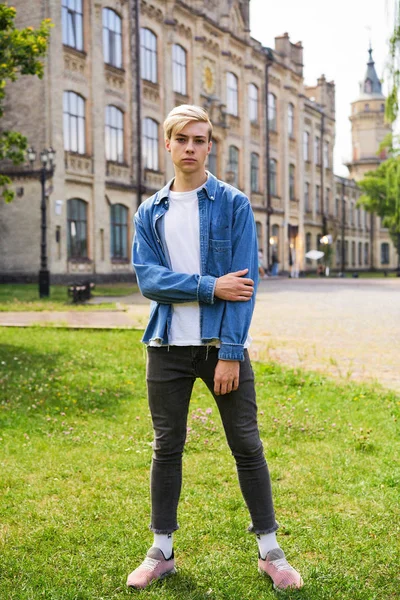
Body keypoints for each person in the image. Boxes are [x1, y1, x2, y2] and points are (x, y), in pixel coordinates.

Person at [127, 104, 303, 591]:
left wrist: (229, 351)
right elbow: (150, 280)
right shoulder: (149, 211)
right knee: (167, 447)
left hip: (220, 347)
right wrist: (209, 287)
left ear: (210, 146)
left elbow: (244, 285)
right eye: (181, 139)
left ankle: (271, 550)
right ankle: (161, 549)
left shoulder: (233, 204)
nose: (190, 148)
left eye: (199, 140)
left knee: (247, 445)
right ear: (167, 144)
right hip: (166, 346)